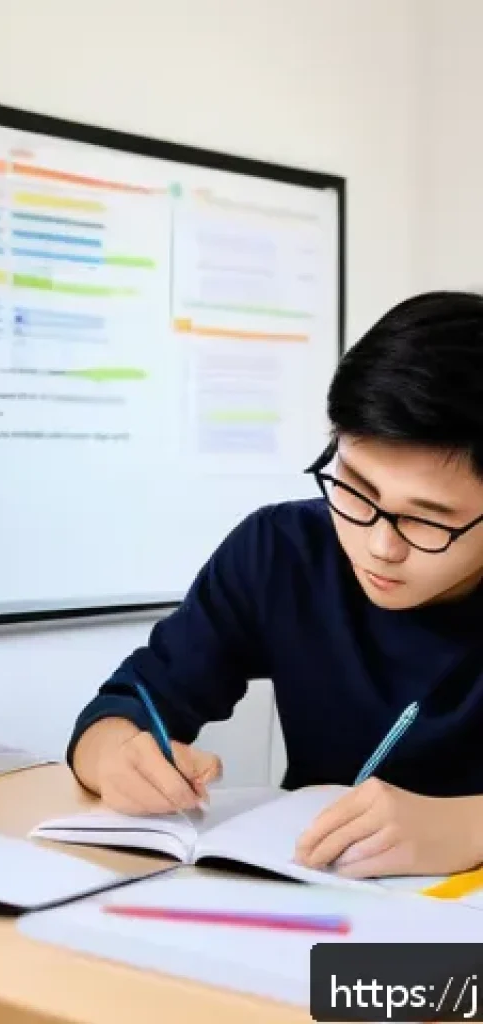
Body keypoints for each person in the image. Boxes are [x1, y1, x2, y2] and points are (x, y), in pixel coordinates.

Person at [68, 290, 483, 880]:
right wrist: (114, 754)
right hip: (301, 901)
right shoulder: (282, 552)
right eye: (356, 487)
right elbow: (130, 701)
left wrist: (467, 827)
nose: (379, 545)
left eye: (428, 520)